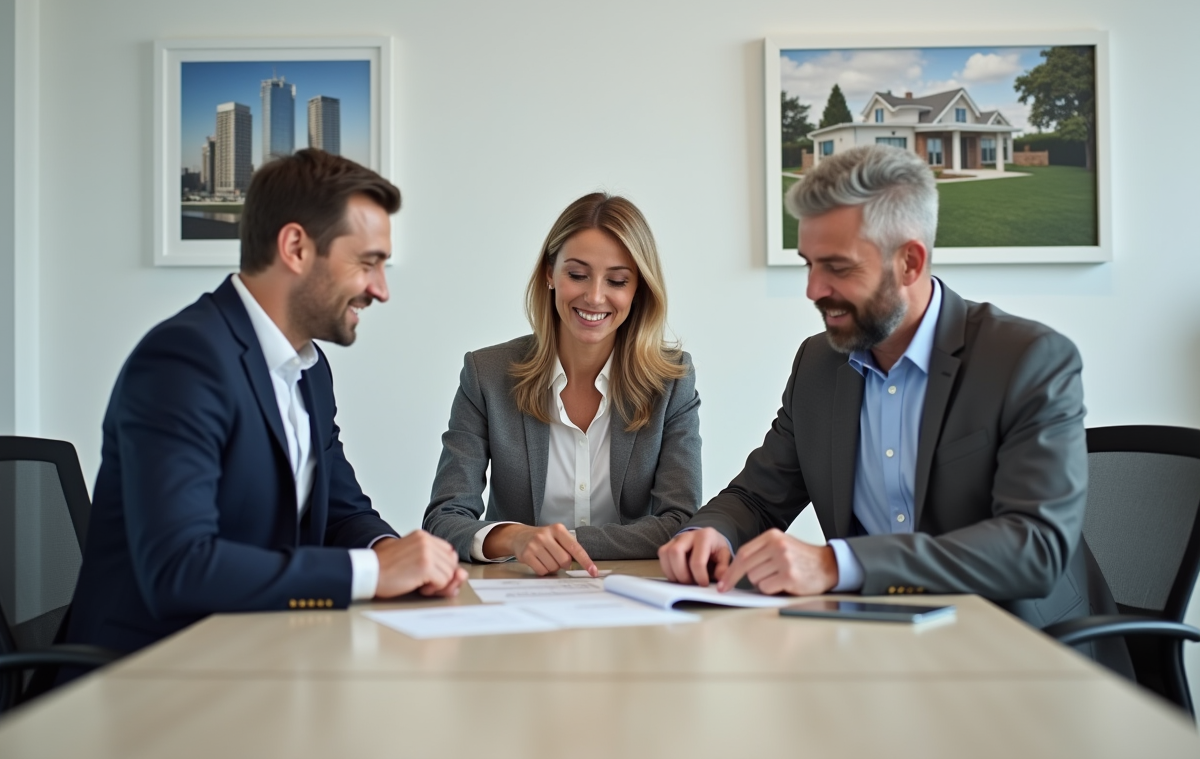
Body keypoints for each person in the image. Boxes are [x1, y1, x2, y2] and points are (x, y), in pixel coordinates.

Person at [658, 145, 1127, 668]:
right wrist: (706, 533)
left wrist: (838, 565)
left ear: (910, 261)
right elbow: (758, 496)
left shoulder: (1027, 360)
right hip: (875, 647)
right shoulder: (819, 364)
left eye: (837, 267)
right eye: (809, 265)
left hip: (1024, 654)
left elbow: (1033, 547)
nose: (814, 290)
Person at [68, 149, 467, 656]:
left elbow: (341, 514)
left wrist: (390, 552)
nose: (381, 290)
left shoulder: (309, 370)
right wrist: (371, 572)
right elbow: (179, 568)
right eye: (368, 263)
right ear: (296, 247)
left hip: (256, 651)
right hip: (148, 676)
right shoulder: (184, 361)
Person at [423, 192, 701, 575]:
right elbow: (445, 518)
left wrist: (564, 543)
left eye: (618, 280)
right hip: (517, 592)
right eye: (577, 274)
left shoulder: (671, 381)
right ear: (549, 275)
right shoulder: (486, 373)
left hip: (630, 596)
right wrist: (516, 538)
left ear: (638, 291)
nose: (595, 296)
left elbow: (680, 521)